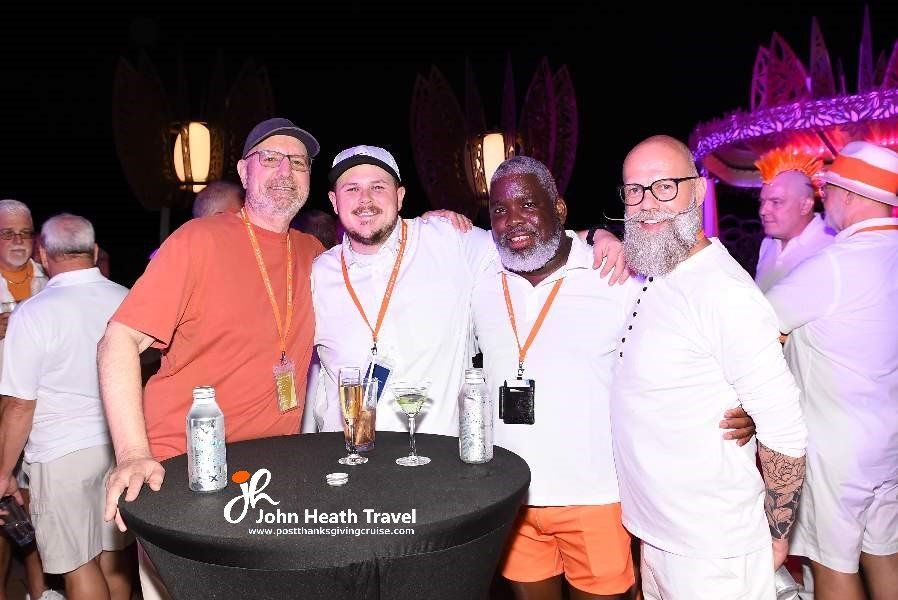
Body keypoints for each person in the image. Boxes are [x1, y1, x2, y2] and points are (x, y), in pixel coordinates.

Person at [473, 156, 757, 600]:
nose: (512, 221)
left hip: (598, 493)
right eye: (499, 210)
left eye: (528, 205)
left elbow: (701, 331)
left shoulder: (616, 274)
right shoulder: (480, 275)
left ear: (560, 209)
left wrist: (749, 397)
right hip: (512, 494)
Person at [98, 117, 325, 599]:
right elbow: (117, 342)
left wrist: (434, 222)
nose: (286, 169)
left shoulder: (313, 253)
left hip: (269, 474)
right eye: (271, 158)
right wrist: (132, 453)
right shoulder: (196, 240)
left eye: (299, 162)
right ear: (245, 173)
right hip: (184, 471)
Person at [307, 145, 628, 437]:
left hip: (438, 474)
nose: (365, 200)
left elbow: (526, 241)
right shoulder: (318, 273)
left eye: (378, 187)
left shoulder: (450, 242)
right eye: (352, 189)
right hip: (348, 465)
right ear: (334, 201)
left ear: (400, 196)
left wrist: (596, 235)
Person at [609, 135, 807, 599]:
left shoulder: (723, 292)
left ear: (698, 192)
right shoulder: (655, 272)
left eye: (664, 187)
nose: (646, 204)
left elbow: (785, 429)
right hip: (659, 535)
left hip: (714, 550)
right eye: (634, 190)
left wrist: (777, 536)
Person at [765, 140, 898, 600]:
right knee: (883, 554)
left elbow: (760, 326)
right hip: (887, 439)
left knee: (831, 566)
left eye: (830, 189)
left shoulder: (837, 264)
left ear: (853, 195)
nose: (826, 199)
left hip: (836, 447)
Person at [0, 214, 132, 600]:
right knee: (114, 557)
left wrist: (4, 471)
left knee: (78, 565)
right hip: (120, 445)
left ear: (43, 254)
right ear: (93, 251)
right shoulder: (126, 298)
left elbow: (20, 406)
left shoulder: (35, 313)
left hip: (61, 456)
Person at [0, 199, 57, 600]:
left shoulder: (52, 278)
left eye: (25, 232)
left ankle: (41, 593)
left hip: (43, 412)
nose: (18, 241)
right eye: (8, 233)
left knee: (35, 510)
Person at [753, 148, 834, 291]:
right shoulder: (767, 244)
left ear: (805, 206)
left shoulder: (831, 248)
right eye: (762, 202)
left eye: (776, 202)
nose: (763, 211)